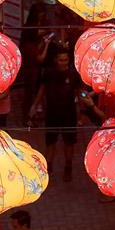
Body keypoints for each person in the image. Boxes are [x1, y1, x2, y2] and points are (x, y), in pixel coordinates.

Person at [31, 49, 82, 182]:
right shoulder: (48, 73)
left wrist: (81, 112)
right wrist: (34, 106)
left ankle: (68, 168)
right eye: (61, 60)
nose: (63, 63)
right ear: (55, 60)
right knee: (50, 142)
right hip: (52, 113)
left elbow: (79, 93)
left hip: (69, 114)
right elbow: (41, 90)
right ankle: (48, 168)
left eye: (65, 60)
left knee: (69, 143)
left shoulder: (73, 75)